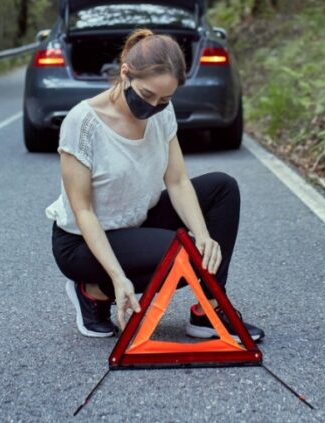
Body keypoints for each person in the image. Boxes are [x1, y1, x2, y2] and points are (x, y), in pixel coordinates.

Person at [47, 28, 264, 342]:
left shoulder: (162, 112)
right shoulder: (83, 123)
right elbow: (83, 210)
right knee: (183, 255)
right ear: (125, 74)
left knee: (222, 188)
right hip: (81, 242)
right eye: (148, 95)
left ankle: (210, 308)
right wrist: (118, 279)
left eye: (165, 99)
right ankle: (93, 292)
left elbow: (176, 181)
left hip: (136, 219)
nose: (154, 105)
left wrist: (204, 235)